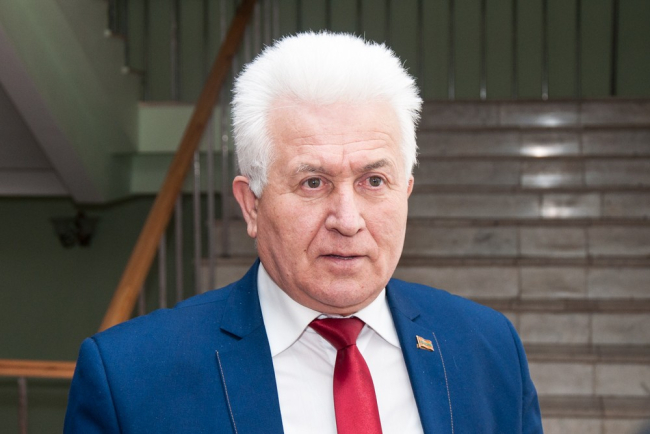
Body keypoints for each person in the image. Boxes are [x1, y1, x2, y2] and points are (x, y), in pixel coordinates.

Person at [64, 32, 542, 434]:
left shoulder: (487, 347)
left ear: (406, 192)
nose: (348, 220)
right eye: (313, 182)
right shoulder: (130, 378)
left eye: (374, 181)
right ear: (251, 204)